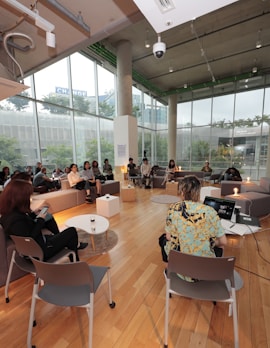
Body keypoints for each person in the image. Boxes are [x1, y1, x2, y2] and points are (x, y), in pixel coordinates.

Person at [0, 179, 87, 262]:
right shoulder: (16, 220)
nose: (29, 198)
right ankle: (75, 261)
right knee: (71, 231)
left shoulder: (8, 214)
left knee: (48, 218)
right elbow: (31, 237)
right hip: (40, 252)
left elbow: (25, 227)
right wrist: (40, 219)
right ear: (20, 198)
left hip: (36, 248)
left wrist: (33, 214)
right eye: (28, 196)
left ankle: (66, 245)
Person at [163, 175, 227, 281]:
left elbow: (169, 237)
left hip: (180, 269)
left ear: (182, 192)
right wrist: (211, 242)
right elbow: (223, 242)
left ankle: (168, 268)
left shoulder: (173, 209)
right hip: (205, 271)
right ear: (198, 192)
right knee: (220, 246)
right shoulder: (210, 211)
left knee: (163, 240)